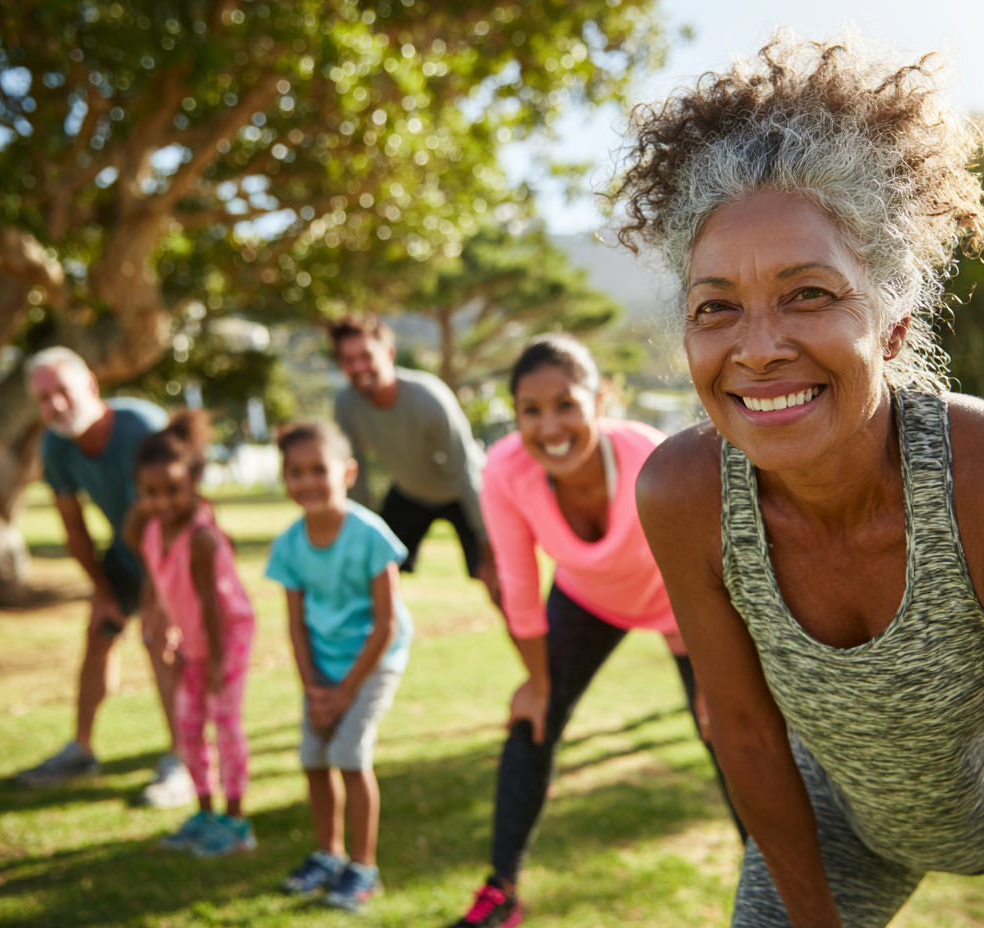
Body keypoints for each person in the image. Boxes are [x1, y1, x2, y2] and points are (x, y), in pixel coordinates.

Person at [617, 32, 984, 928]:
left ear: (892, 323)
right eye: (715, 306)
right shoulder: (682, 497)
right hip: (851, 808)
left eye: (808, 294)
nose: (757, 348)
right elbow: (750, 739)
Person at [445, 334, 742, 928]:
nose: (549, 426)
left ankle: (781, 882)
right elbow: (518, 585)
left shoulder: (648, 454)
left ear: (601, 399)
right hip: (589, 598)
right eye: (531, 410)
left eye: (566, 404)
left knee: (731, 733)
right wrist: (536, 683)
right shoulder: (505, 469)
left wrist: (719, 682)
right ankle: (501, 893)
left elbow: (715, 566)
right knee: (531, 721)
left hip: (683, 600)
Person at [15, 347, 193, 808]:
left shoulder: (141, 427)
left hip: (175, 551)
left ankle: (184, 760)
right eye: (43, 398)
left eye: (63, 391)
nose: (55, 405)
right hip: (126, 551)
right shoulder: (56, 445)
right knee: (99, 630)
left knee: (159, 641)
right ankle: (81, 751)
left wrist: (157, 597)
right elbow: (73, 526)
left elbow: (170, 516)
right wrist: (103, 591)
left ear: (91, 385)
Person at [266, 419, 413, 913]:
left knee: (350, 752)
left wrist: (347, 690)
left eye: (318, 469)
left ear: (347, 473)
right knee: (313, 756)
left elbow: (386, 623)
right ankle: (328, 855)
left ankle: (363, 868)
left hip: (374, 659)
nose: (307, 481)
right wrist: (314, 690)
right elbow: (295, 625)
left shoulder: (370, 535)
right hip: (323, 667)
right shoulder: (289, 545)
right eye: (295, 471)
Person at [128, 411, 258, 857]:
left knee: (225, 722)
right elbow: (157, 583)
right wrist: (158, 628)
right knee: (188, 726)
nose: (162, 501)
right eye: (150, 492)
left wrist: (217, 661)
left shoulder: (202, 538)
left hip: (226, 637)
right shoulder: (149, 530)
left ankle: (236, 822)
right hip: (193, 641)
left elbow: (212, 606)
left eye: (172, 490)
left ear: (192, 484)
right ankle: (205, 812)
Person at [330, 314, 499, 605]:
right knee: (371, 575)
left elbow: (466, 473)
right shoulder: (347, 405)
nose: (358, 367)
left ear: (389, 353)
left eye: (366, 356)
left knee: (499, 582)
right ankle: (381, 634)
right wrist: (360, 536)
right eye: (348, 360)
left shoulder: (428, 398)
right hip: (411, 493)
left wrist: (488, 546)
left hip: (463, 492)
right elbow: (356, 477)